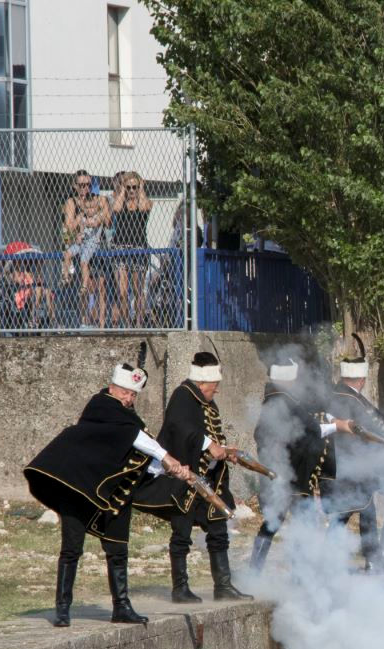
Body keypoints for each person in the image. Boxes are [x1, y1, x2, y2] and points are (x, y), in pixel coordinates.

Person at [24, 363, 193, 627]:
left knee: (118, 549)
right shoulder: (101, 406)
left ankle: (121, 607)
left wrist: (171, 470)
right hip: (79, 488)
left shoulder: (127, 419)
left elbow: (140, 457)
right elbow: (136, 438)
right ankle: (63, 608)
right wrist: (166, 457)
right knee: (71, 549)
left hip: (113, 492)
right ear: (113, 388)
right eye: (126, 392)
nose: (129, 399)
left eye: (133, 394)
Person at [132, 352, 251, 603]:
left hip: (209, 479)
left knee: (218, 530)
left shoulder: (206, 403)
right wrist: (209, 445)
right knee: (182, 534)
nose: (216, 390)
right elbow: (180, 428)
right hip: (184, 478)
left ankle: (223, 586)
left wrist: (224, 451)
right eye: (214, 385)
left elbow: (211, 437)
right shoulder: (183, 395)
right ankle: (180, 588)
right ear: (202, 382)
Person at [250, 359, 355, 572]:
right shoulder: (285, 400)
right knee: (300, 522)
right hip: (292, 474)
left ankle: (257, 570)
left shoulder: (272, 399)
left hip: (282, 472)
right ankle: (298, 573)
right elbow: (314, 428)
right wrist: (339, 425)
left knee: (276, 522)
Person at [326, 350, 384, 571]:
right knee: (350, 511)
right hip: (354, 465)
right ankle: (333, 561)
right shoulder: (352, 399)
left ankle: (370, 561)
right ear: (361, 380)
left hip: (344, 464)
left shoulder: (337, 394)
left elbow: (378, 419)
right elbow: (373, 426)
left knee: (360, 510)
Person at [62, 170, 111, 328]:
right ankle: (85, 322)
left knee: (100, 286)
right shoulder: (72, 203)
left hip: (98, 245)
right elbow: (68, 228)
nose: (85, 188)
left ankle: (101, 324)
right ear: (75, 186)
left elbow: (108, 221)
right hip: (82, 244)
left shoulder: (99, 199)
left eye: (88, 185)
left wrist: (100, 214)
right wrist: (75, 234)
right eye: (81, 185)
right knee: (86, 286)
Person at [110, 171, 153, 327]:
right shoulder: (120, 201)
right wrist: (122, 190)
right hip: (120, 248)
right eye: (129, 187)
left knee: (137, 290)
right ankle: (127, 324)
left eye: (134, 187)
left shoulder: (146, 201)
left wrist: (141, 189)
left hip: (139, 248)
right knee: (122, 292)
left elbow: (143, 208)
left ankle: (139, 323)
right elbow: (115, 209)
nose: (132, 190)